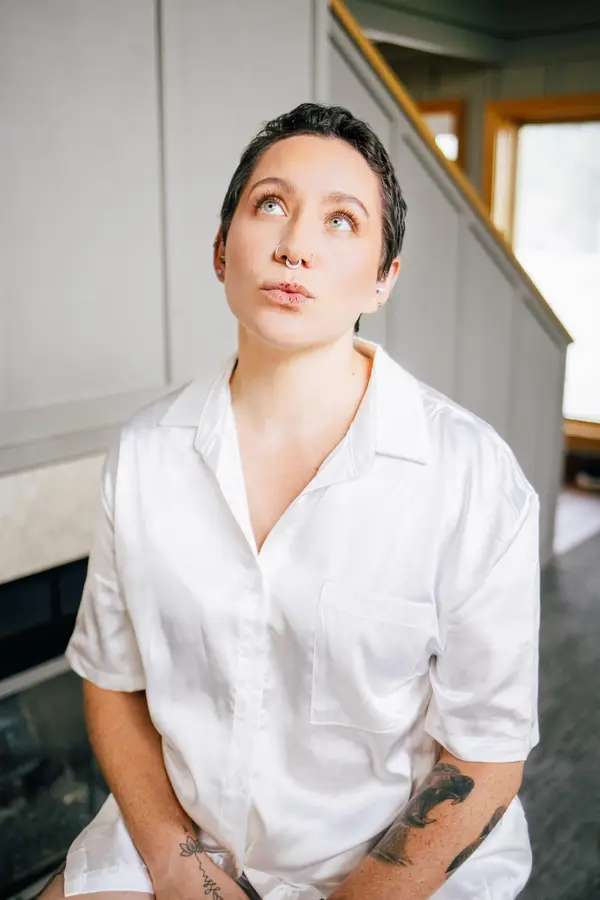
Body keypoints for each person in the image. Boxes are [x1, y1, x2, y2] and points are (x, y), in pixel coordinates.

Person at [41, 103, 540, 900]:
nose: (295, 244)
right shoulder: (144, 456)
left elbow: (485, 757)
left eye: (341, 220)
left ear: (383, 278)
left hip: (393, 865)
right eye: (270, 204)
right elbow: (112, 680)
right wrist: (181, 866)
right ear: (221, 251)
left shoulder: (473, 478)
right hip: (181, 835)